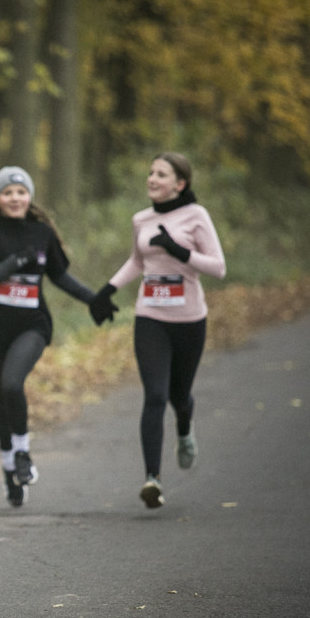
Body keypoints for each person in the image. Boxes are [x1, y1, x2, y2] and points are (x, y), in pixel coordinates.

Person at [90, 152, 226, 509]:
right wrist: (107, 290)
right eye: (150, 172)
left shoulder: (196, 216)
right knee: (154, 394)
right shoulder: (142, 219)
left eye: (161, 174)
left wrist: (180, 251)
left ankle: (185, 426)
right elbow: (138, 260)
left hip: (189, 321)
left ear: (179, 184)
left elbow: (218, 267)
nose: (152, 178)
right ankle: (153, 479)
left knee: (178, 397)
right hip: (150, 318)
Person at [0, 167, 104, 508]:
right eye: (8, 192)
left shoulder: (41, 232)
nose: (15, 198)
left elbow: (60, 275)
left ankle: (23, 453)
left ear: (30, 196)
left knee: (13, 385)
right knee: (3, 400)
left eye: (21, 192)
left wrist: (95, 299)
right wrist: (12, 263)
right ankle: (10, 470)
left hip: (32, 326)